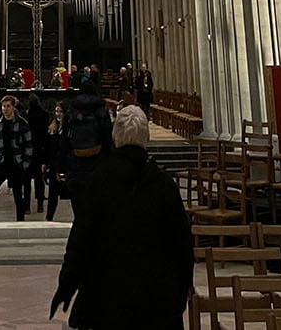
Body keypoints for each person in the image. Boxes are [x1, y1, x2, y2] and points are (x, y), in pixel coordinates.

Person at [50, 106, 192, 329]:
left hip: (106, 298)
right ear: (146, 137)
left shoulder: (99, 181)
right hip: (156, 300)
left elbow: (81, 238)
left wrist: (66, 285)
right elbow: (182, 246)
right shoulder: (164, 184)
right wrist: (179, 295)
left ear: (115, 137)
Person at [0, 94, 33, 221]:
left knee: (18, 194)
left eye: (8, 106)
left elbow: (29, 144)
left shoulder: (22, 123)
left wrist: (25, 163)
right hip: (2, 162)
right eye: (3, 106)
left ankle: (20, 219)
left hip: (16, 162)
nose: (5, 109)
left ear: (13, 107)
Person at [63, 84, 113, 212]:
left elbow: (65, 140)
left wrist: (62, 166)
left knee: (79, 207)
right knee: (97, 207)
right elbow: (108, 135)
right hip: (97, 161)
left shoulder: (72, 110)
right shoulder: (101, 110)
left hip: (76, 163)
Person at [25, 91, 51, 213]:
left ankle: (27, 206)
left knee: (26, 180)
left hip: (29, 149)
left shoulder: (27, 116)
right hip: (40, 149)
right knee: (38, 178)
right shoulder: (45, 115)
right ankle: (40, 205)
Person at [44, 101, 70, 221]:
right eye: (56, 111)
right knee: (52, 194)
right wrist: (45, 162)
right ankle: (49, 217)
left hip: (64, 165)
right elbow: (49, 147)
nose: (58, 114)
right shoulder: (53, 127)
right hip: (54, 164)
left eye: (60, 111)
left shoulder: (67, 128)